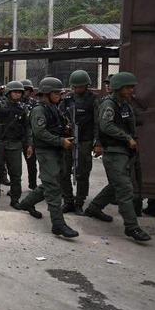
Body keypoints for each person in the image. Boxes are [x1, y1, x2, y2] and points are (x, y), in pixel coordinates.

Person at [83, 72, 151, 242]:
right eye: (127, 87)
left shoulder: (124, 104)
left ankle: (94, 208)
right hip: (114, 152)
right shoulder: (109, 104)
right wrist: (126, 137)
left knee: (115, 184)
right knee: (124, 188)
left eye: (132, 87)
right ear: (118, 88)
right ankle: (132, 227)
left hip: (123, 151)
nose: (131, 90)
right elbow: (106, 126)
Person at [17, 77, 79, 238]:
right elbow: (40, 132)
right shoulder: (39, 110)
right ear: (46, 93)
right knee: (53, 187)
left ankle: (27, 203)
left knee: (51, 182)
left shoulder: (53, 107)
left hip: (56, 149)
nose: (59, 95)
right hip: (46, 151)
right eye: (56, 92)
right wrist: (60, 141)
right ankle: (58, 224)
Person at [0, 81, 33, 210]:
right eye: (15, 92)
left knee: (16, 175)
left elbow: (28, 128)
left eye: (19, 92)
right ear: (8, 93)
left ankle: (15, 199)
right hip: (0, 144)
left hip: (15, 145)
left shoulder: (23, 108)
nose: (17, 94)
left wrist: (29, 144)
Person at [59, 70, 101, 215]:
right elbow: (60, 118)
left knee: (83, 173)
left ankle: (79, 202)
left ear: (86, 85)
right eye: (75, 87)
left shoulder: (93, 99)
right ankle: (68, 201)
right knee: (64, 171)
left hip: (85, 141)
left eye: (80, 86)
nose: (77, 89)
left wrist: (98, 142)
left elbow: (97, 122)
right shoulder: (67, 99)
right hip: (69, 140)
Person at [20, 79, 39, 190]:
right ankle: (15, 187)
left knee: (31, 163)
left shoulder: (35, 103)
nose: (25, 92)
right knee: (14, 164)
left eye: (28, 90)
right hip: (17, 136)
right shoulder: (15, 103)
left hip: (30, 137)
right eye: (24, 90)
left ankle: (33, 184)